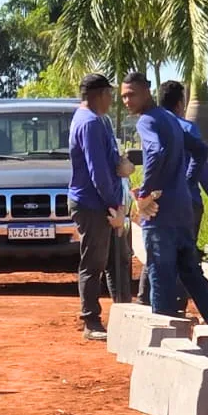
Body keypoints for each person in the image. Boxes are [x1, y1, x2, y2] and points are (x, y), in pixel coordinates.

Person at [120, 72, 208, 351]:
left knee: (160, 275)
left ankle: (165, 346)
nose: (127, 100)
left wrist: (146, 192)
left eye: (131, 94)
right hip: (183, 210)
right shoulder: (172, 120)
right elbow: (200, 151)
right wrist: (185, 183)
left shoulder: (148, 121)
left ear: (147, 92)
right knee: (191, 274)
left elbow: (157, 152)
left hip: (161, 214)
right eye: (123, 95)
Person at [150, 80, 208, 313]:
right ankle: (179, 307)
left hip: (160, 202)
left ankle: (152, 307)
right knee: (186, 258)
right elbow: (201, 166)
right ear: (180, 103)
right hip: (189, 205)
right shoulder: (186, 128)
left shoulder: (153, 125)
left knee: (158, 258)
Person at [68, 73, 134, 341]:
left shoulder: (99, 121)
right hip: (94, 204)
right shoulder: (90, 123)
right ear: (99, 94)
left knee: (116, 260)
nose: (112, 100)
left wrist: (122, 164)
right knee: (94, 262)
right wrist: (115, 207)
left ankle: (123, 315)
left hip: (103, 202)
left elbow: (108, 161)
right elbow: (98, 172)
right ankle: (91, 320)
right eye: (110, 94)